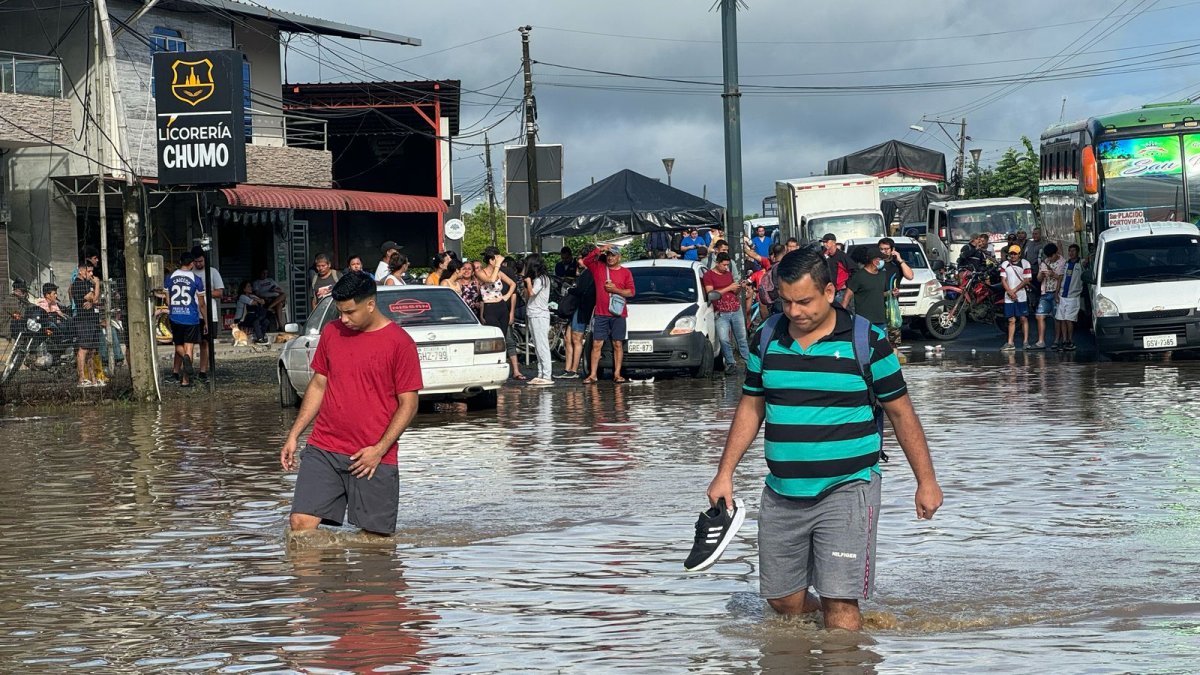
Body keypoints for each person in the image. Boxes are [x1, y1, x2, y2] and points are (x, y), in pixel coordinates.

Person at [703, 247, 941, 631]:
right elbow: (751, 407)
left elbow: (901, 414)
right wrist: (724, 473)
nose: (794, 312)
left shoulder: (868, 341)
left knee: (839, 601)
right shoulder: (767, 336)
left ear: (830, 292)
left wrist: (926, 481)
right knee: (782, 599)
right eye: (786, 301)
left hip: (848, 488)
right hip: (782, 492)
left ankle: (844, 654)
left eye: (804, 301)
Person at [280, 272, 423, 537]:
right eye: (340, 312)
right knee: (300, 526)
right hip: (324, 447)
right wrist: (294, 434)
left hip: (373, 456)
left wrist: (379, 450)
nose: (343, 319)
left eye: (349, 312)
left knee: (374, 543)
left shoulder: (400, 343)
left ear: (370, 304)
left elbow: (409, 405)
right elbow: (319, 384)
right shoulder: (332, 332)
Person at [582, 243, 635, 383]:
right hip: (601, 313)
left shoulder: (625, 272)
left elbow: (631, 292)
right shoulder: (599, 268)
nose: (610, 258)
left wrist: (616, 290)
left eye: (613, 255)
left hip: (618, 314)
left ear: (619, 257)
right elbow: (586, 261)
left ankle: (617, 374)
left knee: (617, 344)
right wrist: (600, 250)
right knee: (597, 344)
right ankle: (593, 374)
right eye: (608, 255)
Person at [703, 252, 751, 375]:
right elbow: (711, 293)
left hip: (735, 309)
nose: (726, 267)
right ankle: (731, 363)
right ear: (717, 263)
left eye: (727, 265)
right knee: (724, 339)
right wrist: (729, 288)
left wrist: (740, 287)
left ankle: (748, 363)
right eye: (724, 265)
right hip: (720, 311)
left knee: (742, 339)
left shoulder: (728, 274)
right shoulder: (708, 275)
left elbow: (734, 293)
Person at [476, 247, 520, 379]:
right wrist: (497, 266)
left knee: (504, 338)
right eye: (496, 259)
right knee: (495, 338)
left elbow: (513, 284)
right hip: (490, 307)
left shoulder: (499, 272)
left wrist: (506, 296)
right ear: (491, 260)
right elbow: (490, 280)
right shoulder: (480, 272)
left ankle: (506, 367)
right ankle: (494, 367)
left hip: (501, 307)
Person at [165, 252, 206, 387]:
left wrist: (171, 311)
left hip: (175, 316)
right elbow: (201, 304)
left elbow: (168, 299)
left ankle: (184, 357)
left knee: (178, 344)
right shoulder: (196, 279)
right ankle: (185, 380)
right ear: (192, 263)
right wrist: (205, 320)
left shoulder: (170, 277)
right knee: (189, 347)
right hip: (191, 317)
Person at [557, 245, 597, 379]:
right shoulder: (584, 273)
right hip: (576, 309)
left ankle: (574, 369)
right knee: (568, 338)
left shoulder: (590, 273)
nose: (578, 261)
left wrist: (570, 290)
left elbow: (581, 291)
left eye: (580, 258)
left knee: (576, 338)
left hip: (582, 309)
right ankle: (568, 368)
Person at [192, 246, 225, 383]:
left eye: (201, 261)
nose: (199, 264)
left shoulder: (212, 272)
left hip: (209, 312)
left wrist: (204, 292)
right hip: (193, 312)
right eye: (196, 261)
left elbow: (220, 293)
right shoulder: (190, 273)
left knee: (205, 342)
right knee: (192, 342)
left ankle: (203, 370)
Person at [69, 263, 103, 387]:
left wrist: (93, 301)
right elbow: (93, 298)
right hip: (84, 320)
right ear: (81, 271)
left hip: (93, 319)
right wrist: (97, 285)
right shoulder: (78, 284)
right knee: (83, 349)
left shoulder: (88, 284)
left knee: (92, 350)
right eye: (89, 271)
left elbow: (96, 300)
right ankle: (82, 378)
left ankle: (93, 378)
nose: (91, 274)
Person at [523, 254, 554, 386]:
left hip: (539, 315)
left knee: (542, 345)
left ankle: (547, 374)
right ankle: (541, 373)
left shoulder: (541, 279)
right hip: (533, 313)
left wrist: (528, 282)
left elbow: (532, 293)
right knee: (537, 345)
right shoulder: (539, 279)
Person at [878, 237, 914, 349]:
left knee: (894, 342)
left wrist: (900, 259)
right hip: (876, 307)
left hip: (892, 307)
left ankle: (894, 364)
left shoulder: (896, 265)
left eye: (886, 249)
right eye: (881, 249)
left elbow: (910, 276)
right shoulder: (876, 264)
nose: (884, 251)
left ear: (892, 249)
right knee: (879, 341)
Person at [845, 246, 890, 329]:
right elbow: (847, 297)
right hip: (863, 322)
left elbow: (879, 294)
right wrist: (840, 316)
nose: (882, 261)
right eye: (880, 259)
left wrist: (891, 293)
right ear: (874, 261)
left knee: (883, 342)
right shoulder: (859, 276)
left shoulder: (882, 275)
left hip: (881, 321)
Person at [1000, 244, 1032, 351]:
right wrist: (1009, 291)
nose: (1013, 256)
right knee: (1011, 320)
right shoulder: (1005, 264)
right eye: (1011, 253)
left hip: (1021, 295)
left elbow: (1027, 280)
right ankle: (1010, 343)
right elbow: (1003, 280)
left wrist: (1014, 291)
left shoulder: (1025, 263)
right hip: (1009, 296)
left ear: (1019, 254)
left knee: (1023, 318)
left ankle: (1026, 342)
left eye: (1015, 254)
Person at [1034, 243, 1064, 350]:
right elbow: (1038, 279)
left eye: (1051, 256)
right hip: (1045, 292)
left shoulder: (1062, 262)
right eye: (1048, 256)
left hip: (1056, 292)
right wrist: (1042, 274)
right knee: (1040, 316)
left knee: (1057, 318)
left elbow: (1061, 278)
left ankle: (1057, 340)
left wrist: (1052, 274)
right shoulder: (1044, 262)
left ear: (1056, 253)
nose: (1050, 258)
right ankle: (1041, 341)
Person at [1055, 244, 1084, 351]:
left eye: (1073, 251)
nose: (1071, 253)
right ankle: (1064, 340)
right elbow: (1060, 279)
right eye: (1070, 251)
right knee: (1062, 319)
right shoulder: (1066, 264)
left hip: (1073, 296)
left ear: (1078, 252)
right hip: (1062, 295)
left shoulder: (1081, 263)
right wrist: (1057, 294)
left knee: (1069, 319)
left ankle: (1070, 340)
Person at [820, 233, 854, 308]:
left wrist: (847, 284)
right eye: (823, 242)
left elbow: (854, 270)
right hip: (827, 290)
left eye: (826, 242)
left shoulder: (842, 256)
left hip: (841, 292)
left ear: (834, 242)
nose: (825, 244)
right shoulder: (822, 255)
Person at [235, 280, 270, 345]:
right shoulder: (242, 296)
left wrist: (257, 299)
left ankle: (261, 337)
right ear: (244, 289)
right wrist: (257, 300)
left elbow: (263, 302)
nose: (250, 288)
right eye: (248, 286)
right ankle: (259, 339)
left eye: (250, 286)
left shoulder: (252, 296)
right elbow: (253, 303)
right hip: (241, 320)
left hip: (249, 317)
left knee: (266, 321)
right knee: (255, 320)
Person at [1022, 227, 1046, 315]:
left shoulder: (1043, 245)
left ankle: (1040, 308)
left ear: (1041, 234)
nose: (1034, 235)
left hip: (1038, 271)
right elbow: (1024, 256)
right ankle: (1033, 305)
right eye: (1033, 234)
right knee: (1030, 289)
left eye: (1036, 234)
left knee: (1039, 290)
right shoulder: (1029, 244)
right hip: (1029, 271)